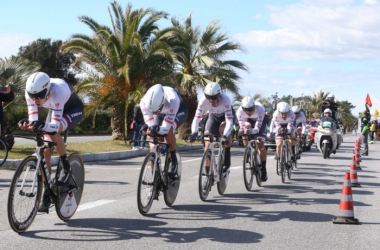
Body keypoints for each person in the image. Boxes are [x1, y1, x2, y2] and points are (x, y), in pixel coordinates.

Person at [18, 72, 84, 213]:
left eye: (40, 96)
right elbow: (34, 118)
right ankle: (47, 192)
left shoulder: (58, 91)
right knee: (46, 151)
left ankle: (66, 166)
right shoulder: (30, 92)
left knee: (53, 132)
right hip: (55, 109)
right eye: (32, 96)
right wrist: (27, 123)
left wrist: (41, 125)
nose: (35, 100)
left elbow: (54, 126)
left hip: (72, 110)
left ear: (47, 90)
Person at [140, 84, 188, 182]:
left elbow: (165, 128)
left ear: (161, 104)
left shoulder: (173, 100)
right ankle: (155, 180)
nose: (153, 114)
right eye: (151, 112)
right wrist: (148, 128)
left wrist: (157, 129)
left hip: (179, 110)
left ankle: (173, 160)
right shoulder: (143, 103)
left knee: (168, 130)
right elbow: (150, 123)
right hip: (161, 112)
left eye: (155, 111)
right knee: (153, 144)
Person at [189, 82, 234, 177]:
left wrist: (225, 136)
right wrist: (194, 132)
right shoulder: (203, 101)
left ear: (218, 95)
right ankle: (208, 173)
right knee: (207, 144)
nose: (210, 100)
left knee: (223, 129)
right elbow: (196, 118)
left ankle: (226, 156)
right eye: (208, 97)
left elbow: (229, 122)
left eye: (213, 98)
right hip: (213, 118)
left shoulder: (225, 100)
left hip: (224, 119)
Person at [236, 96, 268, 181]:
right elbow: (242, 126)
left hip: (259, 121)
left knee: (260, 142)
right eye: (246, 110)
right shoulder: (239, 111)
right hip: (248, 121)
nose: (249, 112)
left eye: (250, 109)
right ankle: (248, 149)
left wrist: (252, 131)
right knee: (245, 129)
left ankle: (263, 168)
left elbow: (257, 129)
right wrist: (243, 131)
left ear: (254, 106)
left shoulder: (260, 109)